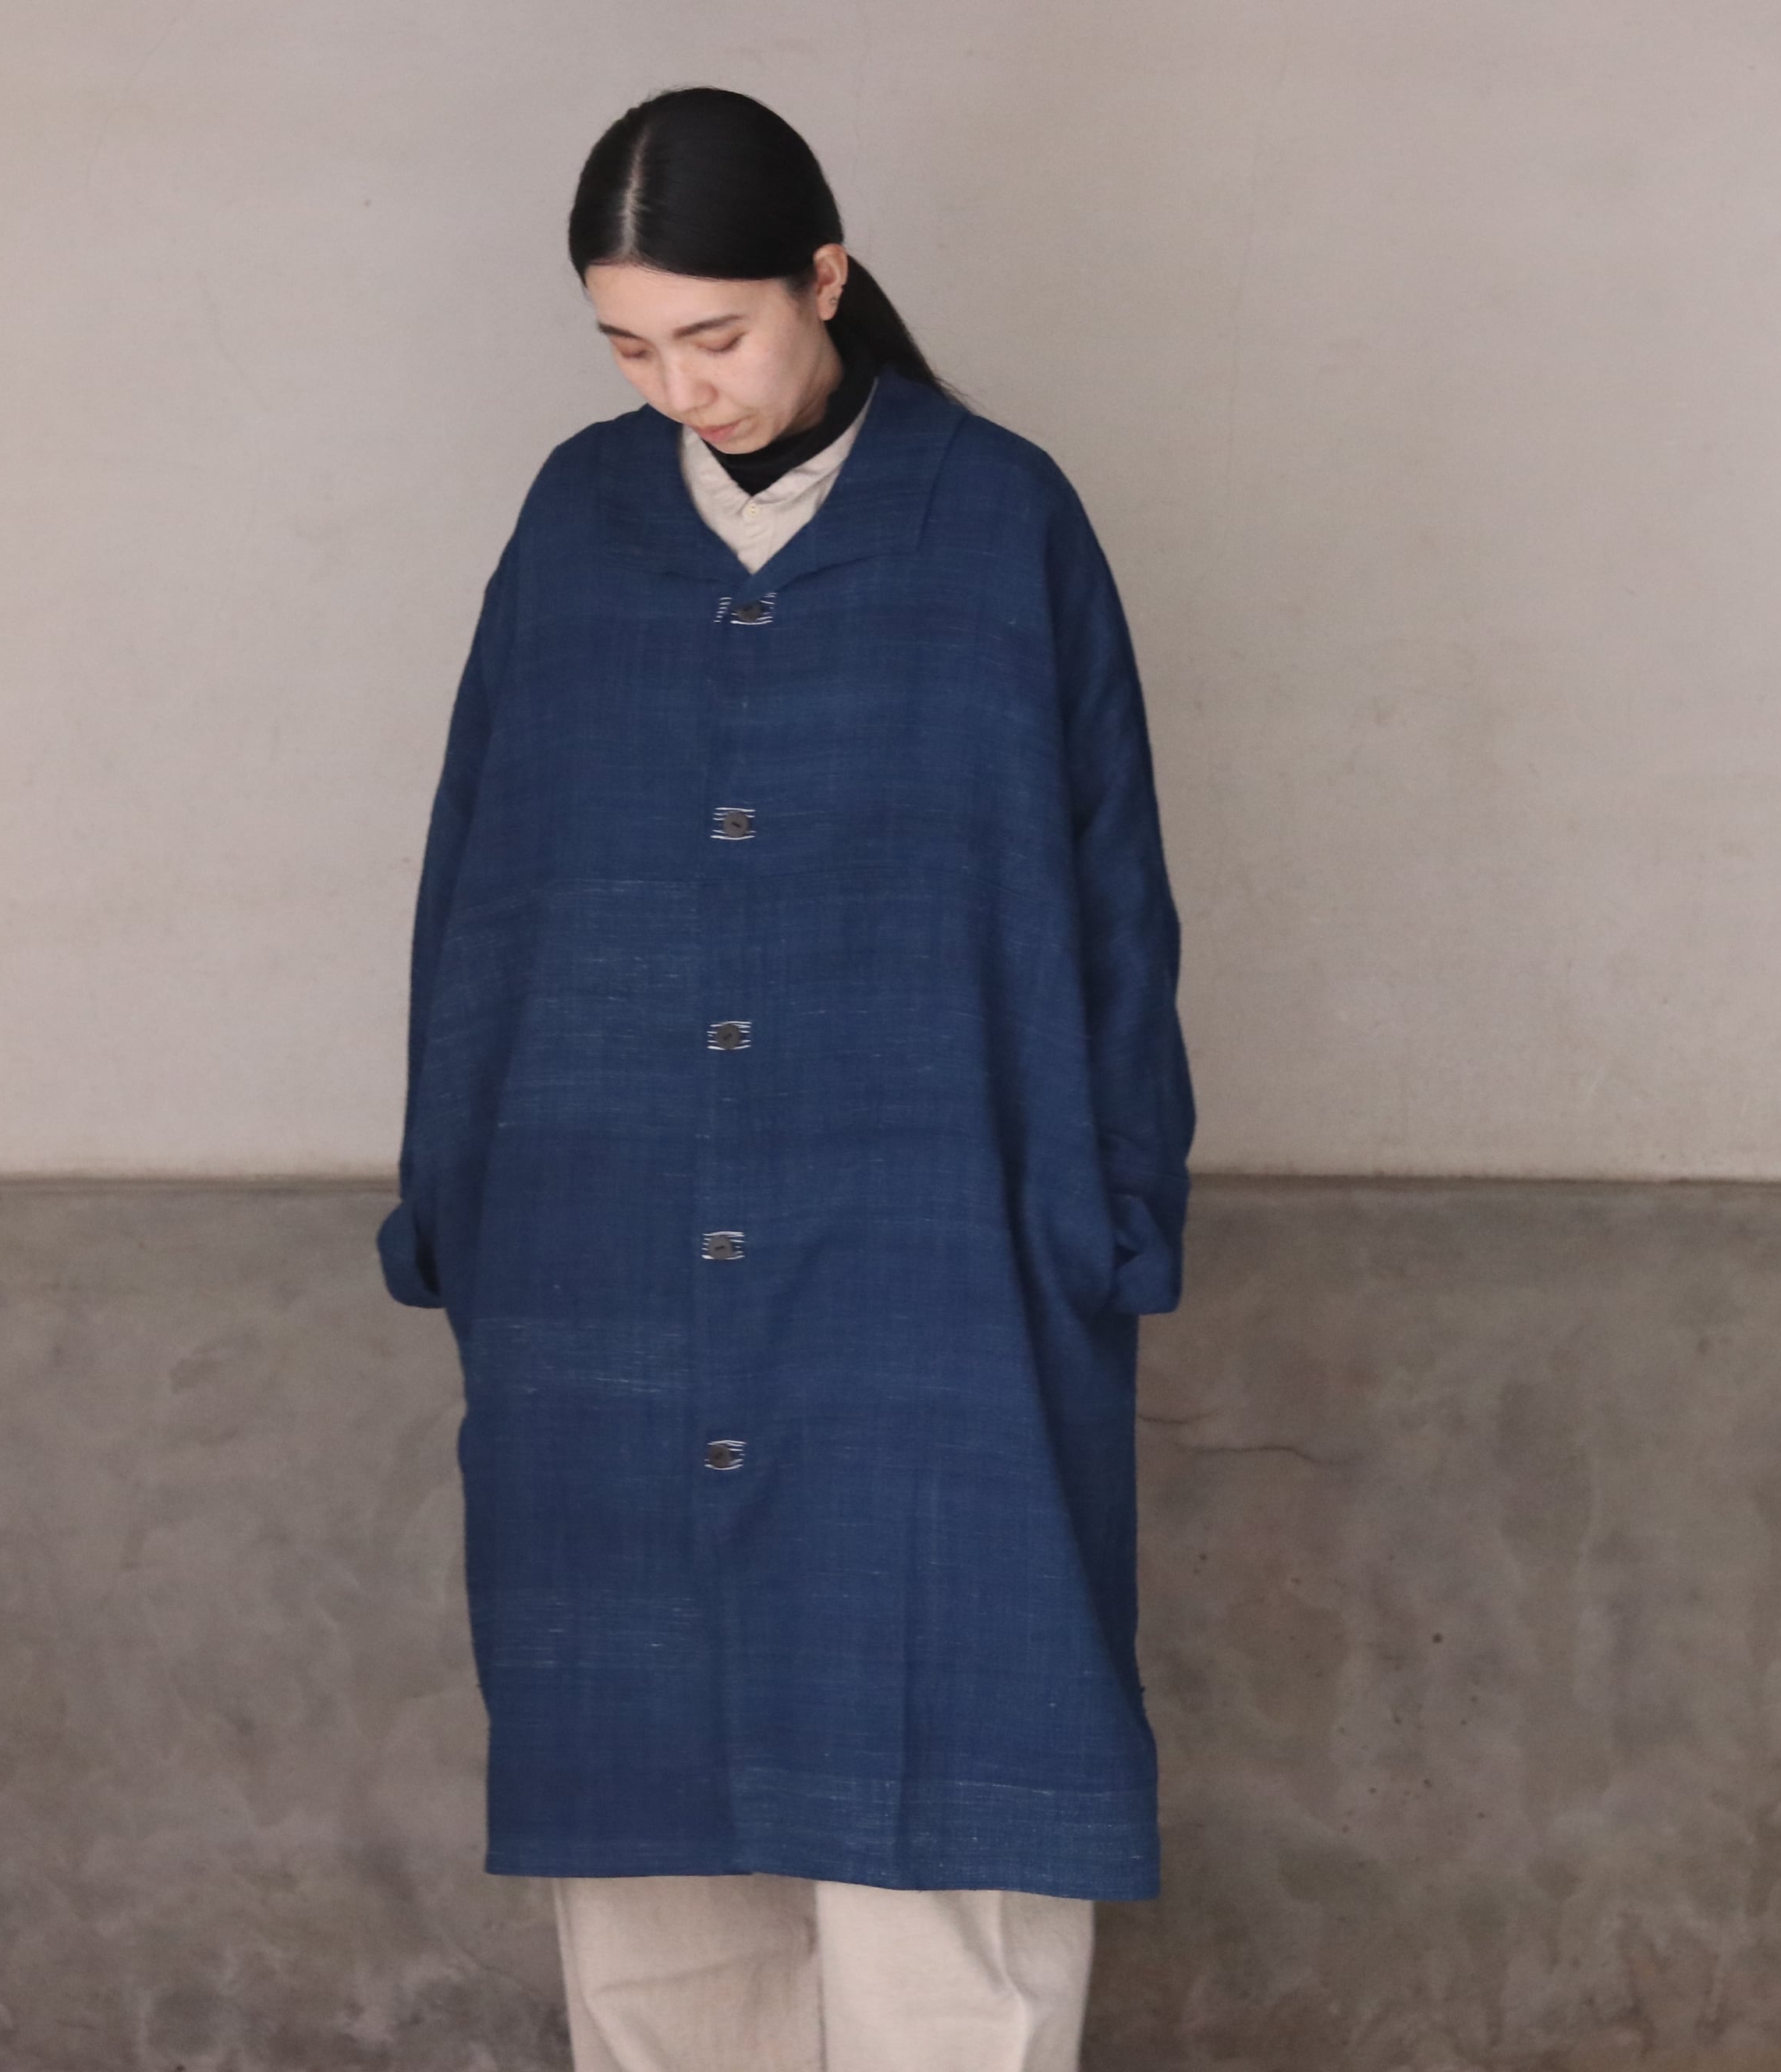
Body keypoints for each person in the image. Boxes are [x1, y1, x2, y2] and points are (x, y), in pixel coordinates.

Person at [377, 84, 1195, 2072]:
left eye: (714, 334)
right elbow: (482, 871)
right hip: (608, 1245)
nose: (681, 388)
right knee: (649, 1830)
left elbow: (1111, 892)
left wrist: (1110, 1209)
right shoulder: (576, 524)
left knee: (951, 1794)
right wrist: (458, 1194)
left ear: (824, 277)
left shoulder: (998, 521)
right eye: (629, 348)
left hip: (929, 1251)